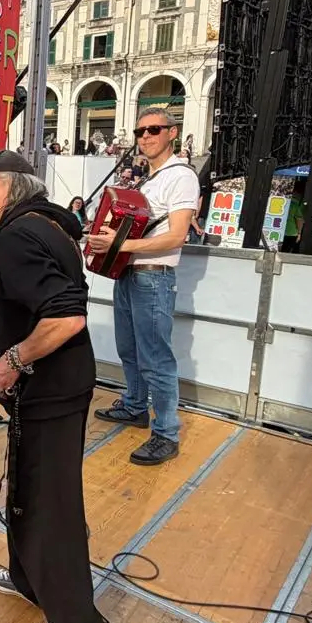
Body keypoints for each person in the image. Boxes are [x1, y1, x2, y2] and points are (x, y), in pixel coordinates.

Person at [0, 150, 105, 623]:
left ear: (7, 184)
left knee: (52, 502)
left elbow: (65, 319)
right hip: (51, 385)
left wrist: (11, 360)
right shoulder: (45, 223)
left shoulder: (18, 235)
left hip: (52, 388)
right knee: (28, 487)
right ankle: (28, 579)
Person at [85, 108, 198, 465]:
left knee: (156, 359)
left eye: (153, 129)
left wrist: (118, 246)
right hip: (130, 273)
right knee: (129, 349)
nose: (145, 136)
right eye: (139, 131)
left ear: (172, 133)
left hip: (153, 275)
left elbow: (177, 236)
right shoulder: (148, 180)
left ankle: (166, 433)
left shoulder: (181, 176)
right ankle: (135, 406)